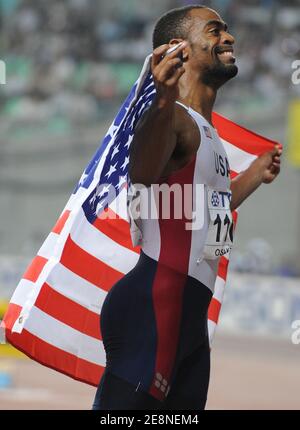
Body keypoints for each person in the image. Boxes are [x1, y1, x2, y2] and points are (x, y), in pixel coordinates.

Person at [92, 4, 282, 410]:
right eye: (214, 31)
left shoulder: (206, 131)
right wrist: (161, 99)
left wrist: (254, 175)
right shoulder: (171, 118)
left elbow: (209, 216)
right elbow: (141, 176)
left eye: (226, 30)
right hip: (154, 306)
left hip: (190, 319)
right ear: (179, 49)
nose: (228, 38)